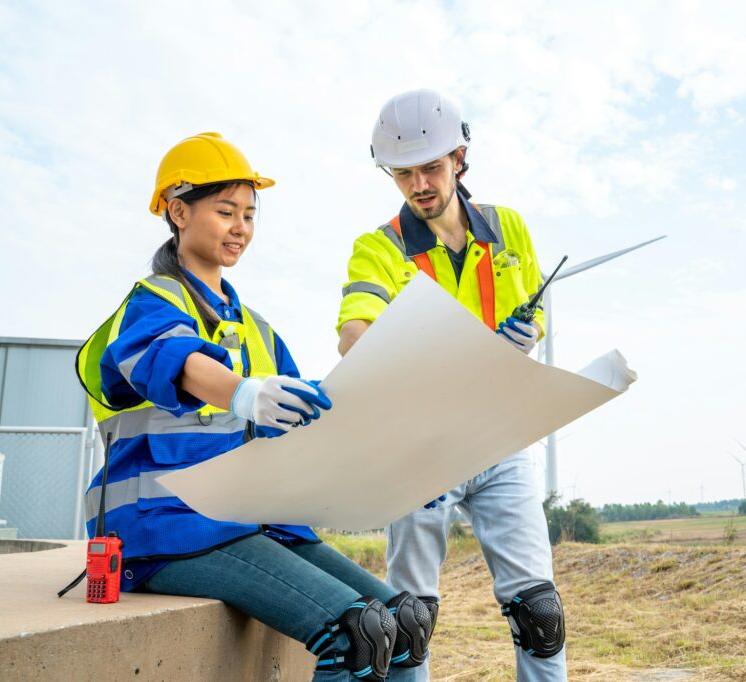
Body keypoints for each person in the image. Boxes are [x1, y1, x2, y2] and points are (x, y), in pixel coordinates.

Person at [75, 132, 435, 681]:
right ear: (177, 211)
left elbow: (314, 418)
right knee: (355, 632)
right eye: (225, 211)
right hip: (166, 531)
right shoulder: (151, 303)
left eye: (249, 213)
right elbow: (174, 359)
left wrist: (403, 460)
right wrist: (244, 392)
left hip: (252, 523)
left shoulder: (257, 330)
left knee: (405, 625)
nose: (240, 226)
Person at [336, 91, 567, 681]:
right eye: (403, 172)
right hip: (423, 446)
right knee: (411, 618)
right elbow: (355, 337)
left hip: (500, 436)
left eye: (430, 167)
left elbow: (533, 313)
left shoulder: (507, 227)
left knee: (540, 610)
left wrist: (524, 336)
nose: (418, 184)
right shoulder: (379, 247)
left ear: (459, 157)